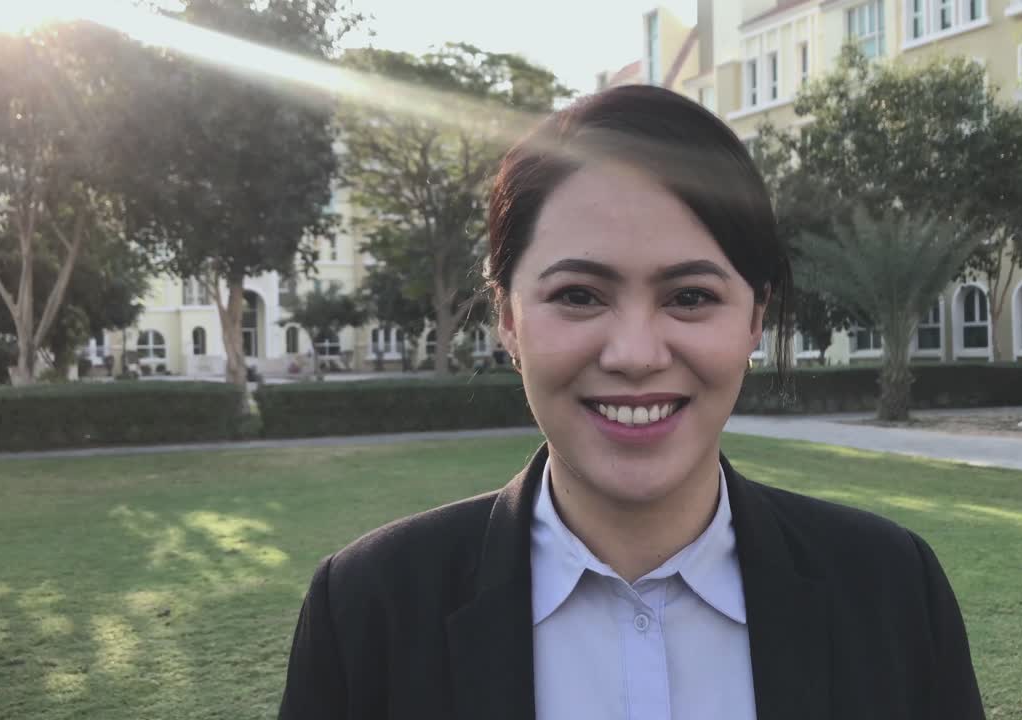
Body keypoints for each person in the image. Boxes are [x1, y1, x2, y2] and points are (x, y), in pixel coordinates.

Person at [278, 85, 985, 719]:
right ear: (508, 319)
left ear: (755, 318)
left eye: (690, 297)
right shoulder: (367, 610)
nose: (636, 354)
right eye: (578, 295)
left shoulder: (891, 591)